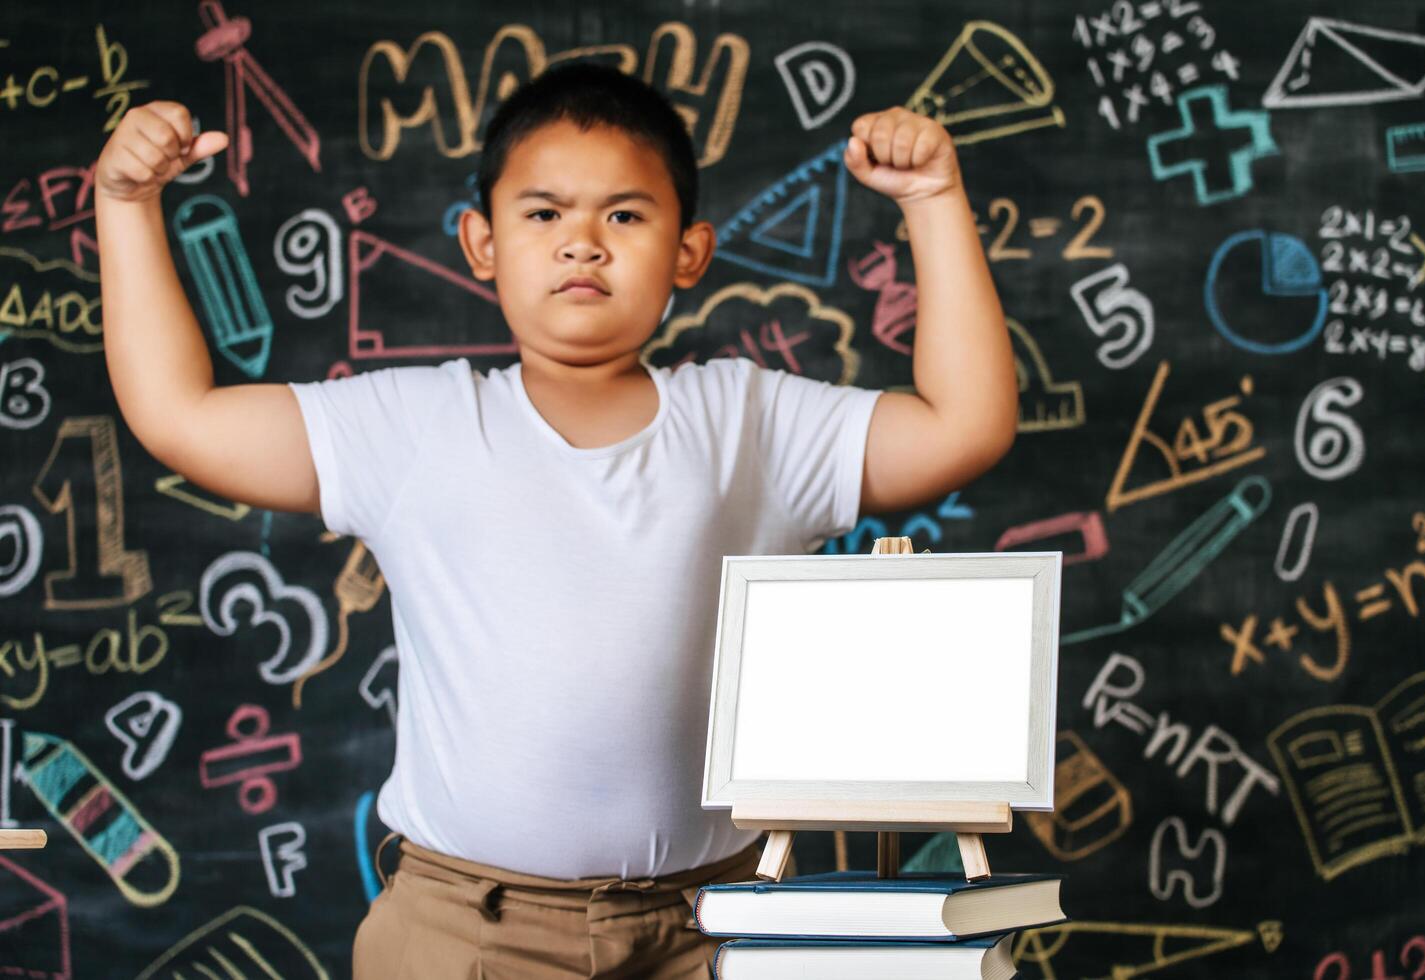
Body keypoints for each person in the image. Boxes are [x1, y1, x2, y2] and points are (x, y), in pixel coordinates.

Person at [95, 61, 1017, 978]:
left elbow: (963, 427)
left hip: (714, 925)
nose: (583, 243)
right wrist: (126, 203)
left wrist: (933, 199)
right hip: (462, 928)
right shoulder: (411, 425)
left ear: (689, 252)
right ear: (480, 243)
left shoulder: (753, 422)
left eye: (624, 215)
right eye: (543, 214)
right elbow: (180, 415)